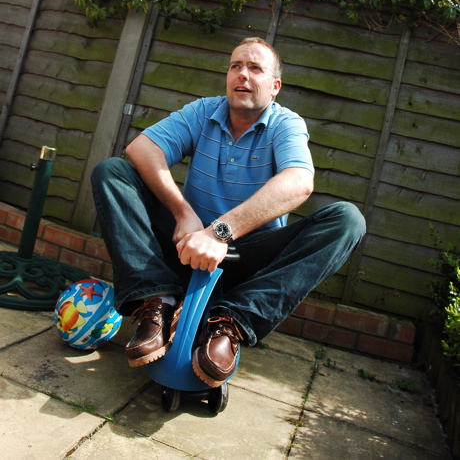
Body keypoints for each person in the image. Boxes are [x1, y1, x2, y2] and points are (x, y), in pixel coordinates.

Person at [91, 37, 365, 387]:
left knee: (348, 220)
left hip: (244, 258)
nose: (242, 74)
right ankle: (157, 300)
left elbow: (299, 182)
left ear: (275, 86)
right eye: (236, 66)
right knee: (112, 172)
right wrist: (183, 212)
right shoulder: (203, 111)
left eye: (255, 68)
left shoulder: (286, 125)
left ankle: (231, 323)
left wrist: (219, 232)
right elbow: (142, 148)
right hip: (186, 245)